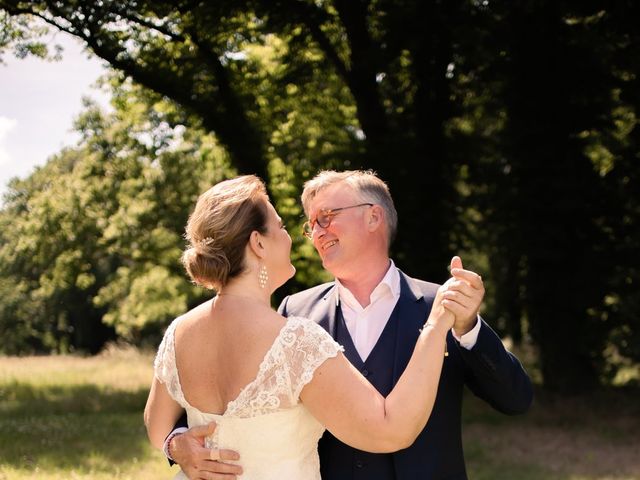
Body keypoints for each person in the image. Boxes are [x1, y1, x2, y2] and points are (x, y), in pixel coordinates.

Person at [166, 170, 534, 480]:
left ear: (374, 217)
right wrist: (176, 441)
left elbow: (515, 400)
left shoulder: (443, 306)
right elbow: (222, 403)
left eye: (326, 216)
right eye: (311, 224)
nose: (317, 232)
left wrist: (468, 327)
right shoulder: (294, 313)